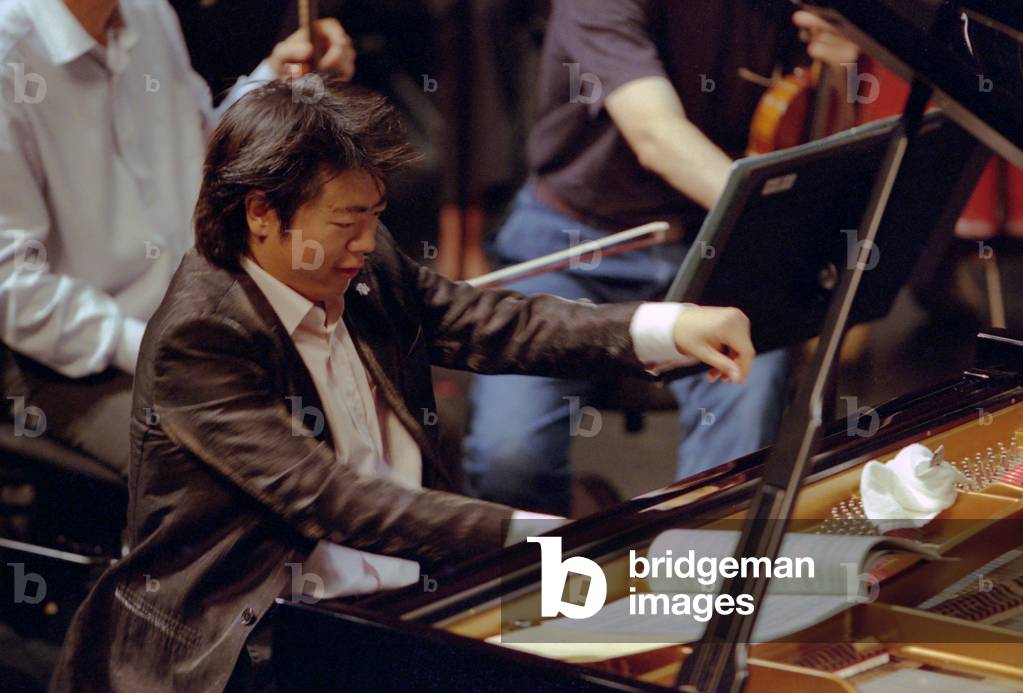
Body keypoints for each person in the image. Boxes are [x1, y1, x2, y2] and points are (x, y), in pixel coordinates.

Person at [49, 76, 756, 692]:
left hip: (404, 597)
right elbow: (332, 499)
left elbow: (486, 322)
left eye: (374, 216)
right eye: (345, 221)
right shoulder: (199, 337)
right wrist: (536, 538)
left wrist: (662, 327)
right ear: (260, 213)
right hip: (256, 641)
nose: (366, 240)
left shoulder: (359, 258)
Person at [463, 0, 863, 515]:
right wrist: (778, 226)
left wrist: (851, 63)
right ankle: (561, 548)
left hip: (712, 248)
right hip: (574, 244)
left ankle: (693, 571)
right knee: (508, 459)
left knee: (739, 440)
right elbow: (655, 135)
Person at [0, 0, 352, 477]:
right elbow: (12, 286)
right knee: (233, 472)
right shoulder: (9, 54)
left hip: (187, 317)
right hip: (73, 362)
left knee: (350, 404)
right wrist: (154, 344)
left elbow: (198, 148)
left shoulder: (148, 12)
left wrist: (275, 79)